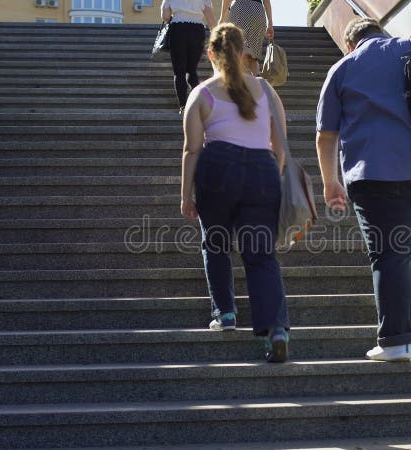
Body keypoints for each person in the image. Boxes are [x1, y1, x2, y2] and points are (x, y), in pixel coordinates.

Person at [315, 18, 411, 362]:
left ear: (350, 43)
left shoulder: (343, 68)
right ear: (383, 32)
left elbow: (326, 135)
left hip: (376, 173)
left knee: (390, 254)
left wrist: (330, 181)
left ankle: (396, 342)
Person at [180, 23, 290, 363]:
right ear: (245, 52)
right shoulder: (265, 90)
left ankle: (225, 314)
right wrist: (275, 175)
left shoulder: (202, 93)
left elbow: (191, 150)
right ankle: (276, 331)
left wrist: (186, 195)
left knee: (215, 243)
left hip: (218, 168)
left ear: (209, 54)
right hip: (262, 170)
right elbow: (280, 144)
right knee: (261, 256)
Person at [161, 0, 217, 113]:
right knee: (192, 70)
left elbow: (165, 16)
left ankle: (183, 105)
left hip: (178, 30)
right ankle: (198, 104)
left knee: (179, 71)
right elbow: (211, 21)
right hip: (197, 31)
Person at [219, 0, 274, 75]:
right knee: (253, 58)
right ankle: (254, 83)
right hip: (258, 12)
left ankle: (240, 83)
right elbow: (266, 1)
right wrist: (270, 23)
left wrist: (222, 18)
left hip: (240, 9)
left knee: (236, 52)